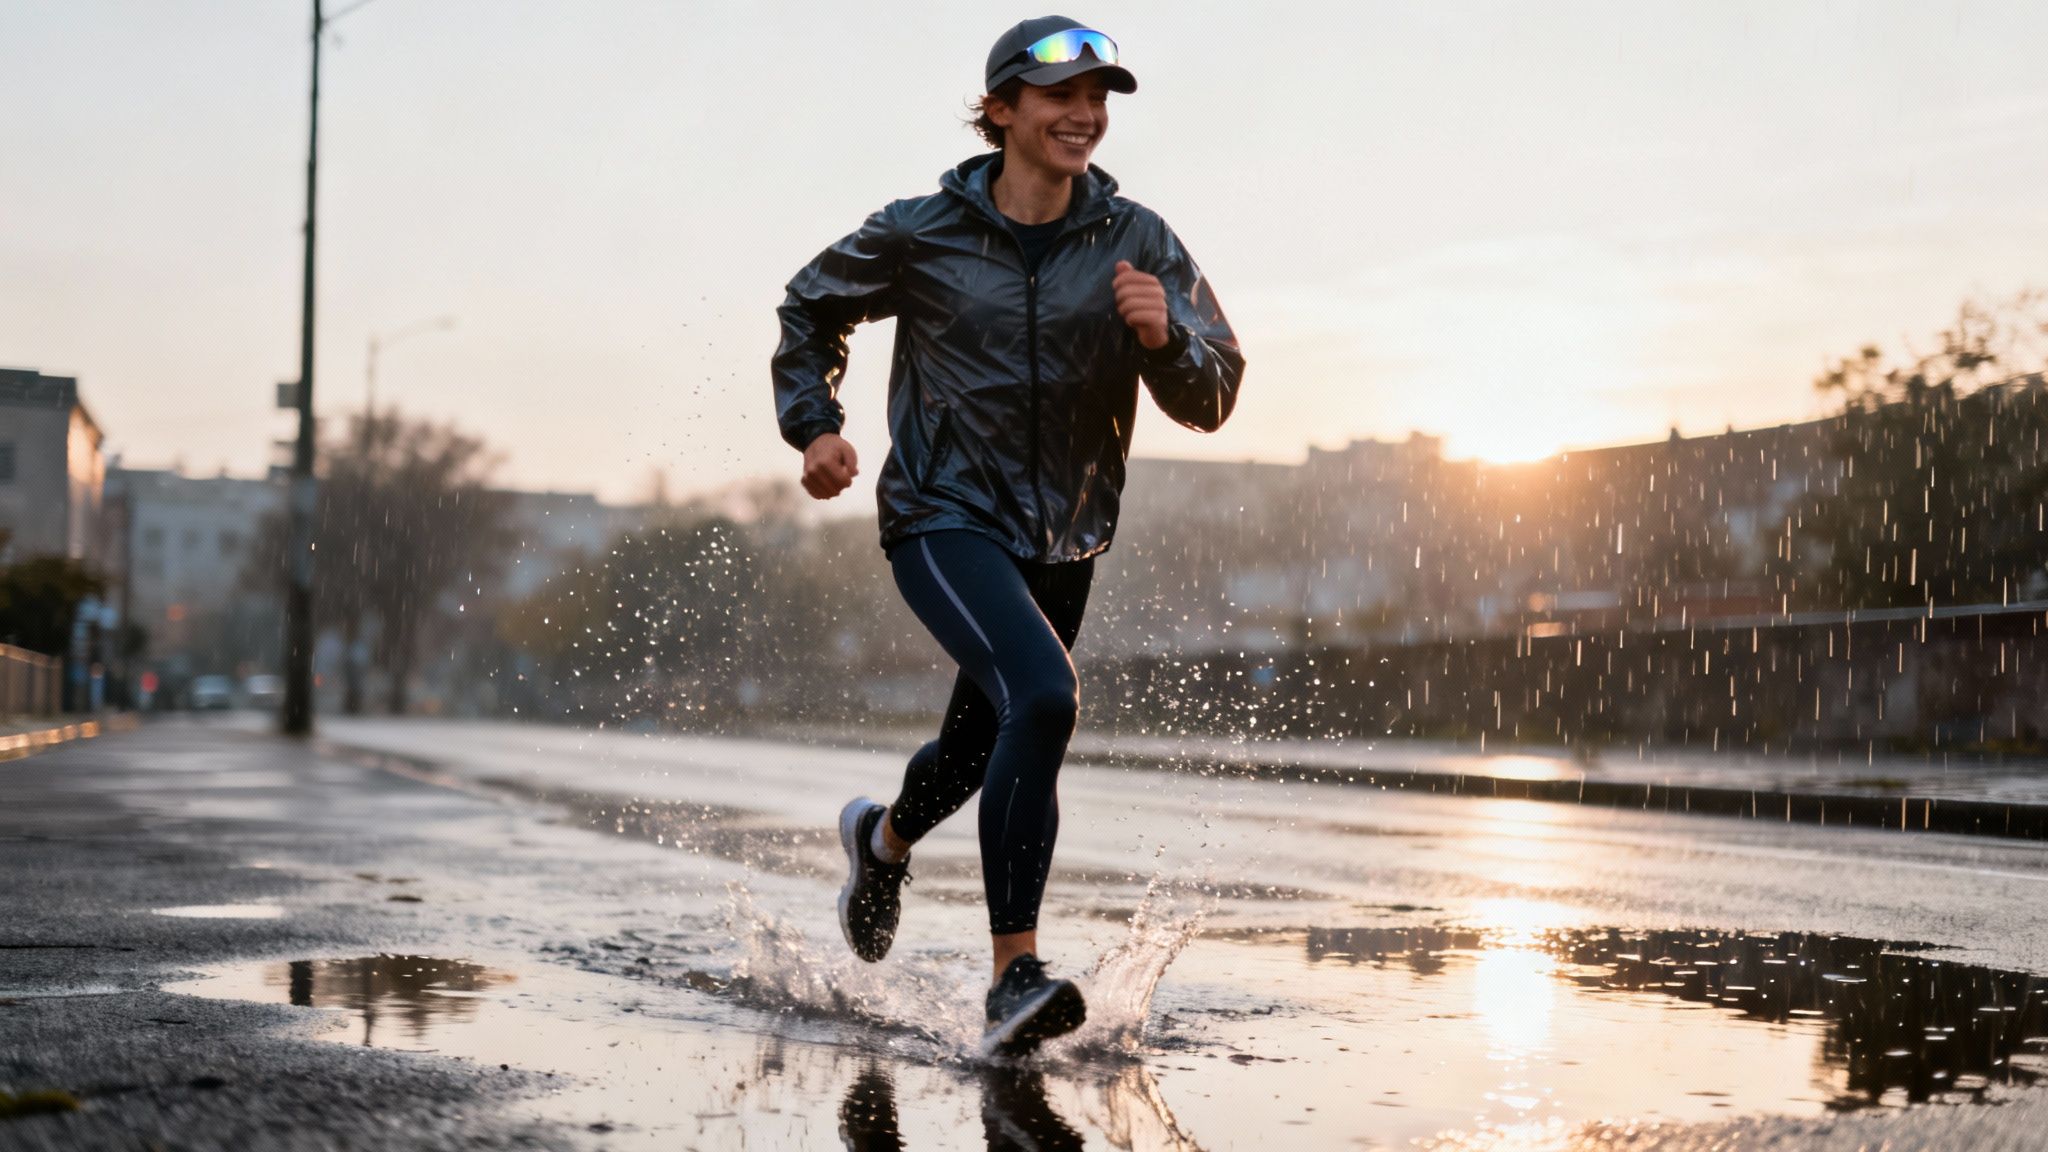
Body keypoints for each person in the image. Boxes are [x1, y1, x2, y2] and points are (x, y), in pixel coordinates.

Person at [772, 15, 1244, 1056]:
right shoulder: (921, 230)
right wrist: (815, 426)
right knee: (1042, 694)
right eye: (1059, 98)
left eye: (1098, 99)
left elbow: (1213, 397)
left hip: (1063, 536)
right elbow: (809, 308)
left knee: (978, 746)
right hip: (941, 515)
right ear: (1000, 111)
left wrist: (1163, 341)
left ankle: (881, 843)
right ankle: (1012, 975)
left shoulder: (1139, 241)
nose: (1084, 117)